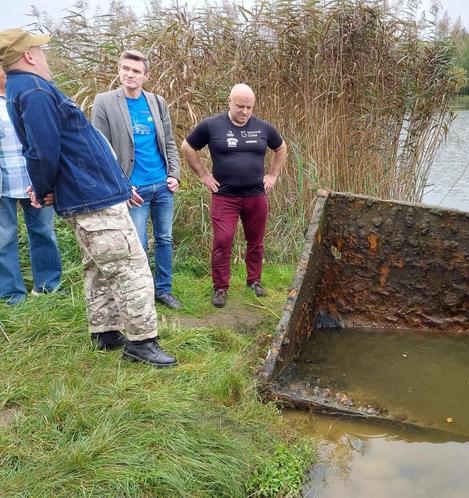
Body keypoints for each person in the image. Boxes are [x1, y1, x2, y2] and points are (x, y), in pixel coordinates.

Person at [0, 28, 176, 367]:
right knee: (131, 268)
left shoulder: (28, 89)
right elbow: (42, 151)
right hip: (92, 196)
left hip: (90, 193)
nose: (45, 54)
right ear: (28, 56)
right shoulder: (34, 90)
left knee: (98, 268)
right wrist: (43, 186)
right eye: (41, 49)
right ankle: (142, 342)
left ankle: (105, 332)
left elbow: (45, 149)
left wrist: (46, 185)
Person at [182, 83, 287, 308]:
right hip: (224, 196)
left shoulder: (263, 128)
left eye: (249, 107)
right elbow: (188, 147)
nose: (245, 112)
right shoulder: (212, 126)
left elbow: (281, 148)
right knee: (223, 240)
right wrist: (203, 175)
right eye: (240, 106)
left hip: (256, 196)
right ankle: (220, 287)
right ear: (229, 102)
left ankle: (254, 281)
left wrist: (273, 174)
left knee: (255, 241)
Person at [92, 50, 182, 310]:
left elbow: (168, 141)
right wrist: (122, 186)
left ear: (146, 76)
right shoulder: (105, 102)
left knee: (165, 239)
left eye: (136, 71)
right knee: (138, 244)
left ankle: (164, 290)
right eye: (125, 68)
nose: (129, 74)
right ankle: (141, 292)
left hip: (162, 185)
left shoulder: (156, 101)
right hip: (134, 189)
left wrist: (174, 174)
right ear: (119, 70)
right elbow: (101, 149)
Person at [0, 67, 61, 304]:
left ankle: (48, 287)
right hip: (4, 182)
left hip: (35, 180)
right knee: (4, 238)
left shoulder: (26, 93)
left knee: (43, 232)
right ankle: (11, 294)